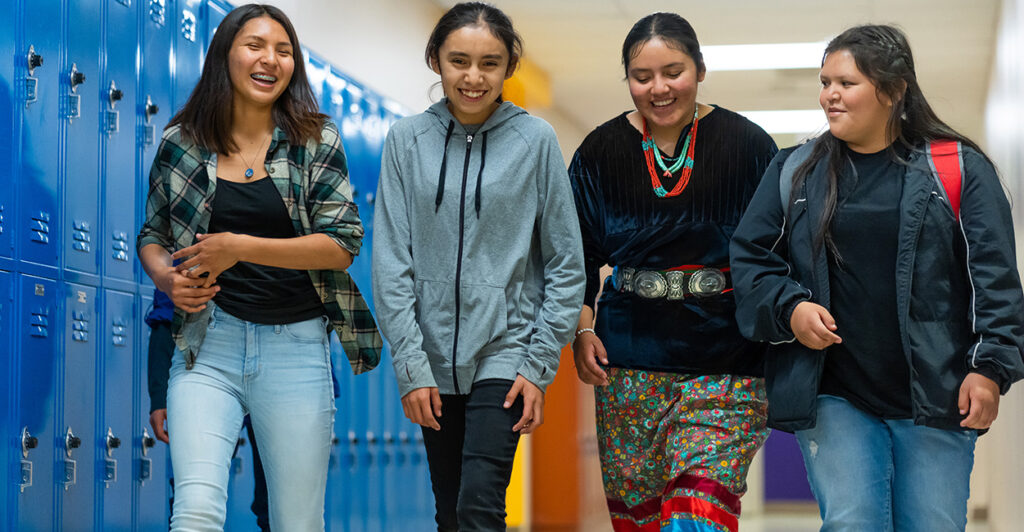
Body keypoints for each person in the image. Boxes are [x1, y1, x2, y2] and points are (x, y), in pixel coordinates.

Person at [730, 24, 1024, 531]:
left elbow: (994, 277)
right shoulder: (795, 170)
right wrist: (791, 308)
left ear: (892, 90)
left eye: (846, 83)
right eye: (825, 83)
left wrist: (991, 367)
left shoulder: (956, 168)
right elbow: (751, 259)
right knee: (852, 521)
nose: (829, 96)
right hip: (833, 389)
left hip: (935, 389)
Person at [136, 4, 381, 530]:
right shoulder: (181, 143)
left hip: (294, 349)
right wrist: (165, 278)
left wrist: (239, 246)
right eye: (255, 45)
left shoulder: (316, 140)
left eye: (284, 50)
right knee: (196, 510)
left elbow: (342, 244)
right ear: (225, 54)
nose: (270, 59)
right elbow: (152, 235)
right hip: (208, 346)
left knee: (296, 521)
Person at [371, 3, 585, 530]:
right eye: (459, 61)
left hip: (506, 349)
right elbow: (392, 262)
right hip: (431, 355)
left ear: (509, 66)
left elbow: (565, 261)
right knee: (450, 510)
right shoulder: (406, 141)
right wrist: (410, 366)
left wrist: (536, 364)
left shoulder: (535, 141)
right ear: (436, 61)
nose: (473, 77)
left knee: (479, 505)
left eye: (489, 63)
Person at [568, 12, 777, 532]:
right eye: (642, 76)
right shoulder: (600, 151)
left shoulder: (748, 145)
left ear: (700, 70)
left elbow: (776, 249)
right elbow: (574, 256)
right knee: (640, 519)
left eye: (674, 71)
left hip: (727, 360)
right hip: (629, 362)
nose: (659, 88)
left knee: (696, 516)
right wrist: (583, 327)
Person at [145, 288, 271, 532]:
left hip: (280, 370)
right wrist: (159, 395)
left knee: (280, 502)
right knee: (194, 499)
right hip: (209, 369)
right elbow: (167, 312)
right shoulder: (193, 252)